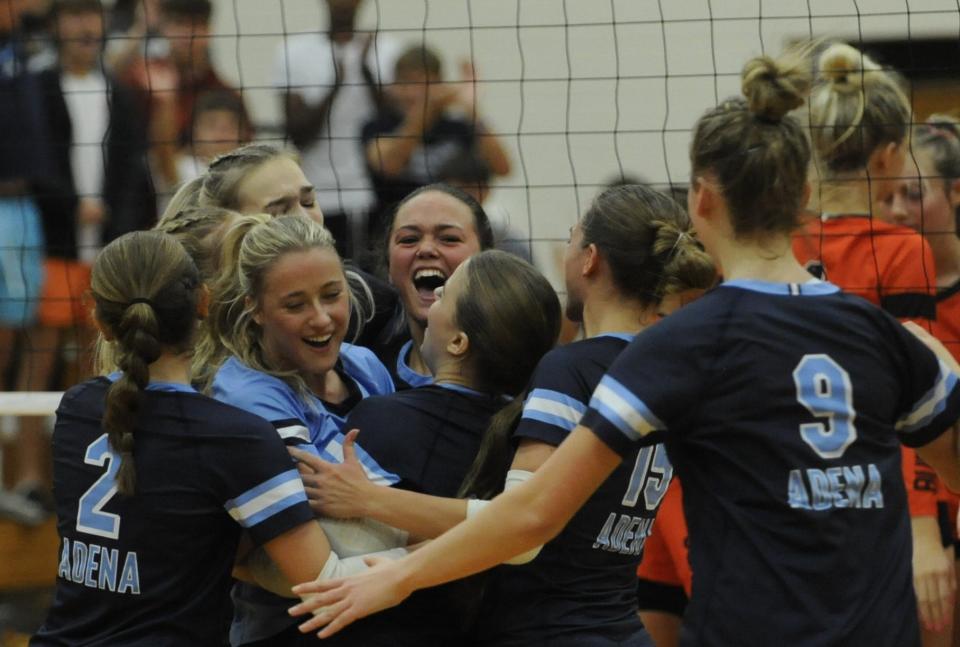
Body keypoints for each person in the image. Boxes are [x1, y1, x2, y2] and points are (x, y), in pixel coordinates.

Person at [289, 46, 960, 647]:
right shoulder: (881, 333)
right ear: (805, 198)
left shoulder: (680, 346)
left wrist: (401, 574)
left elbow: (530, 515)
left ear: (700, 200)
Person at [300, 184, 714, 646]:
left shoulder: (570, 369)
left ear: (590, 259)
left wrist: (379, 519)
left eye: (572, 236)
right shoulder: (662, 370)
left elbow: (521, 530)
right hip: (621, 628)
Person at [29, 230, 329, 646]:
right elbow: (323, 581)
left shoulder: (76, 407)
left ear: (100, 322)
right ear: (204, 302)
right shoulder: (236, 437)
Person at [292, 248, 561, 644]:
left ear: (458, 342)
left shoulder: (380, 421)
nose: (432, 301)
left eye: (445, 294)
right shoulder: (532, 443)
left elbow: (316, 558)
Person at [793, 42, 949, 639]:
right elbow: (922, 404)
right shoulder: (902, 249)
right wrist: (927, 530)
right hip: (871, 494)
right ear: (887, 155)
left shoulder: (772, 242)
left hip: (786, 492)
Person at [207, 213, 404, 647]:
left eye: (332, 295)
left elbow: (371, 499)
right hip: (285, 626)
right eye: (295, 305)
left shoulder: (366, 366)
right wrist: (454, 545)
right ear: (254, 309)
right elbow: (334, 547)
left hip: (377, 611)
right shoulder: (245, 393)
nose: (322, 319)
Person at [878, 114, 960, 644]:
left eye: (914, 193)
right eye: (887, 195)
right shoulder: (883, 280)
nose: (898, 210)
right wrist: (923, 524)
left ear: (956, 194)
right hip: (900, 503)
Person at [273, 0, 401, 257]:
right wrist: (334, 86)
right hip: (315, 194)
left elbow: (396, 123)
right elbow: (297, 134)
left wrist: (366, 74)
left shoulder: (386, 49)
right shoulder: (293, 51)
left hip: (373, 194)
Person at [362, 45, 511, 239]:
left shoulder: (457, 127)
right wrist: (425, 112)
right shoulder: (378, 126)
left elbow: (503, 169)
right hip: (394, 236)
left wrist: (473, 110)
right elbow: (388, 165)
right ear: (394, 87)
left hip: (452, 232)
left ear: (439, 85)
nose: (413, 93)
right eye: (406, 83)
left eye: (422, 84)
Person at [368, 183, 494, 389]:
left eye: (449, 239)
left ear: (486, 261)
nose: (426, 249)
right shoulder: (365, 375)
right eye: (409, 239)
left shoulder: (515, 376)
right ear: (389, 266)